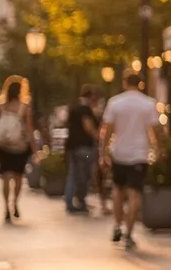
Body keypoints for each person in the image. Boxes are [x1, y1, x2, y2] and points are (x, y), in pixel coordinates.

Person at [97, 72, 162, 250]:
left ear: (124, 83)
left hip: (119, 152)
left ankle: (117, 225)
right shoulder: (148, 103)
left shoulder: (115, 102)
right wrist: (159, 149)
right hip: (139, 154)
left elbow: (107, 130)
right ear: (140, 84)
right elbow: (154, 129)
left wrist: (103, 153)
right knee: (135, 194)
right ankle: (129, 233)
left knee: (118, 189)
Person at [0, 77, 34, 223]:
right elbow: (29, 129)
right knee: (18, 177)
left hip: (3, 146)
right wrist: (34, 148)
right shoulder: (24, 107)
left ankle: (7, 207)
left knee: (6, 177)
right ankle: (15, 203)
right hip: (19, 146)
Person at [63, 86, 100, 215]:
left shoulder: (74, 109)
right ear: (90, 97)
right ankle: (81, 201)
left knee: (72, 174)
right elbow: (88, 126)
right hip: (84, 147)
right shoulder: (86, 110)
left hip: (71, 146)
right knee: (83, 175)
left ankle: (69, 201)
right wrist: (97, 137)